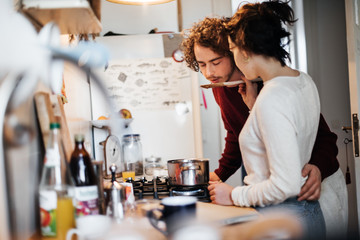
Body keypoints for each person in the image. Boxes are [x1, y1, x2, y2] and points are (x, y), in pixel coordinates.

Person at [181, 4, 347, 239]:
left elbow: (319, 138)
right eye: (202, 64)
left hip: (311, 188)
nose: (208, 72)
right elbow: (239, 133)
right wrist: (219, 174)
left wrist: (319, 167)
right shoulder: (230, 89)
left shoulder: (273, 91)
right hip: (283, 199)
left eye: (216, 61)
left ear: (237, 52)